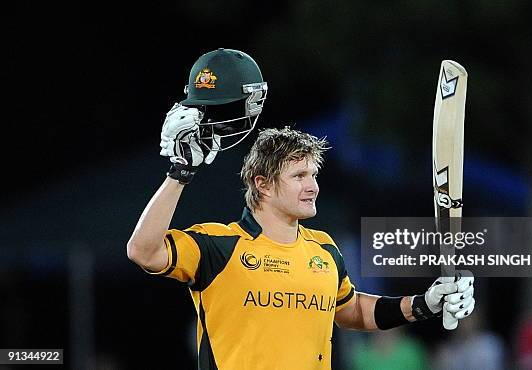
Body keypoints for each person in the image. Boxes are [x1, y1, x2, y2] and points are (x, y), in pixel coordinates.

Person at [127, 48, 476, 370]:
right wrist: (180, 173)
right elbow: (143, 251)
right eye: (298, 176)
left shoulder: (323, 249)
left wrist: (425, 304)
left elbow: (352, 310)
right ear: (262, 183)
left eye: (313, 174)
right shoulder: (218, 246)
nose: (313, 186)